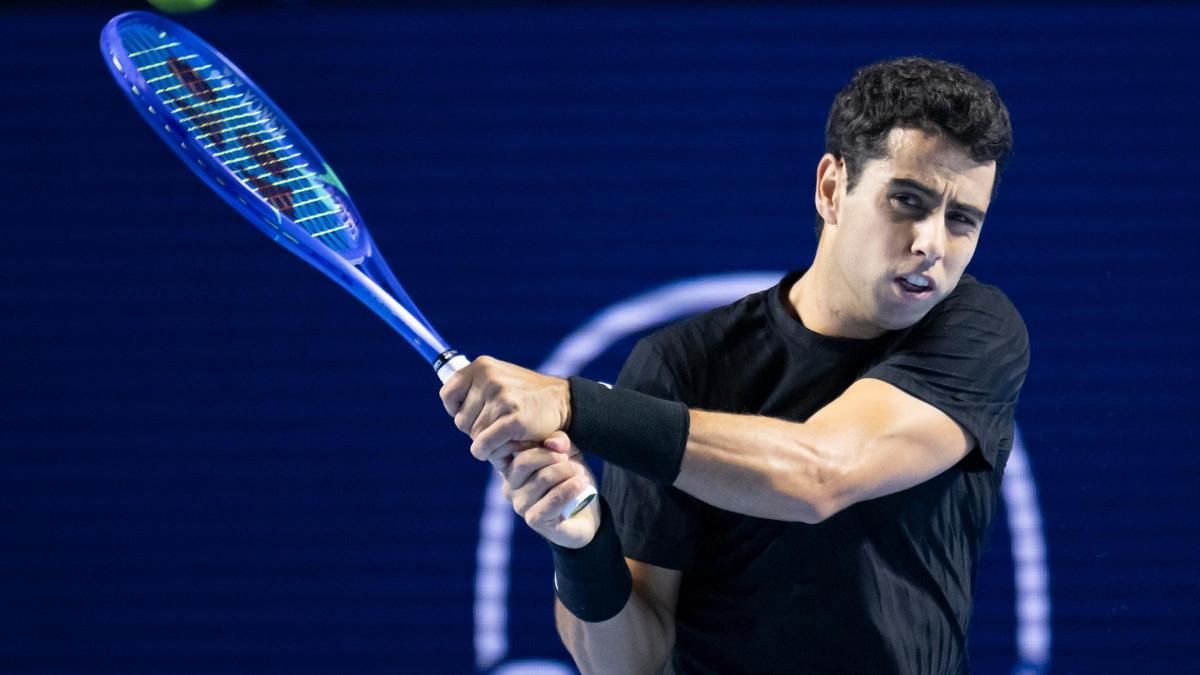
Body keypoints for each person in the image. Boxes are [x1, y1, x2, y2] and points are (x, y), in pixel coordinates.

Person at [440, 56, 1028, 674]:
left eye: (961, 220)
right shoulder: (680, 366)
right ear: (832, 188)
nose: (931, 242)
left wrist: (572, 404)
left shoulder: (976, 330)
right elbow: (624, 666)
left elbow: (819, 473)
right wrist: (583, 547)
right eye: (907, 200)